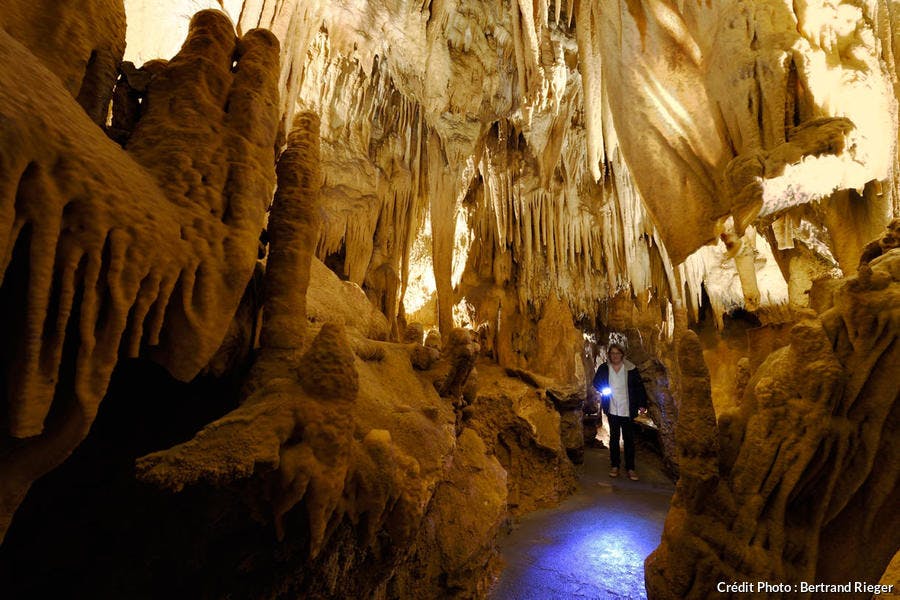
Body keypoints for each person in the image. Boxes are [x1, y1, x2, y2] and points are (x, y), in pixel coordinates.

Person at [591, 342, 649, 481]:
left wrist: (642, 404)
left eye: (617, 353)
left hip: (627, 408)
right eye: (612, 353)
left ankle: (630, 468)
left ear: (622, 354)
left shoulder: (630, 368)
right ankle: (615, 465)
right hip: (612, 407)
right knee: (614, 438)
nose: (615, 356)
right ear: (609, 355)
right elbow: (596, 382)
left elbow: (638, 387)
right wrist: (603, 389)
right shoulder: (605, 368)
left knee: (629, 439)